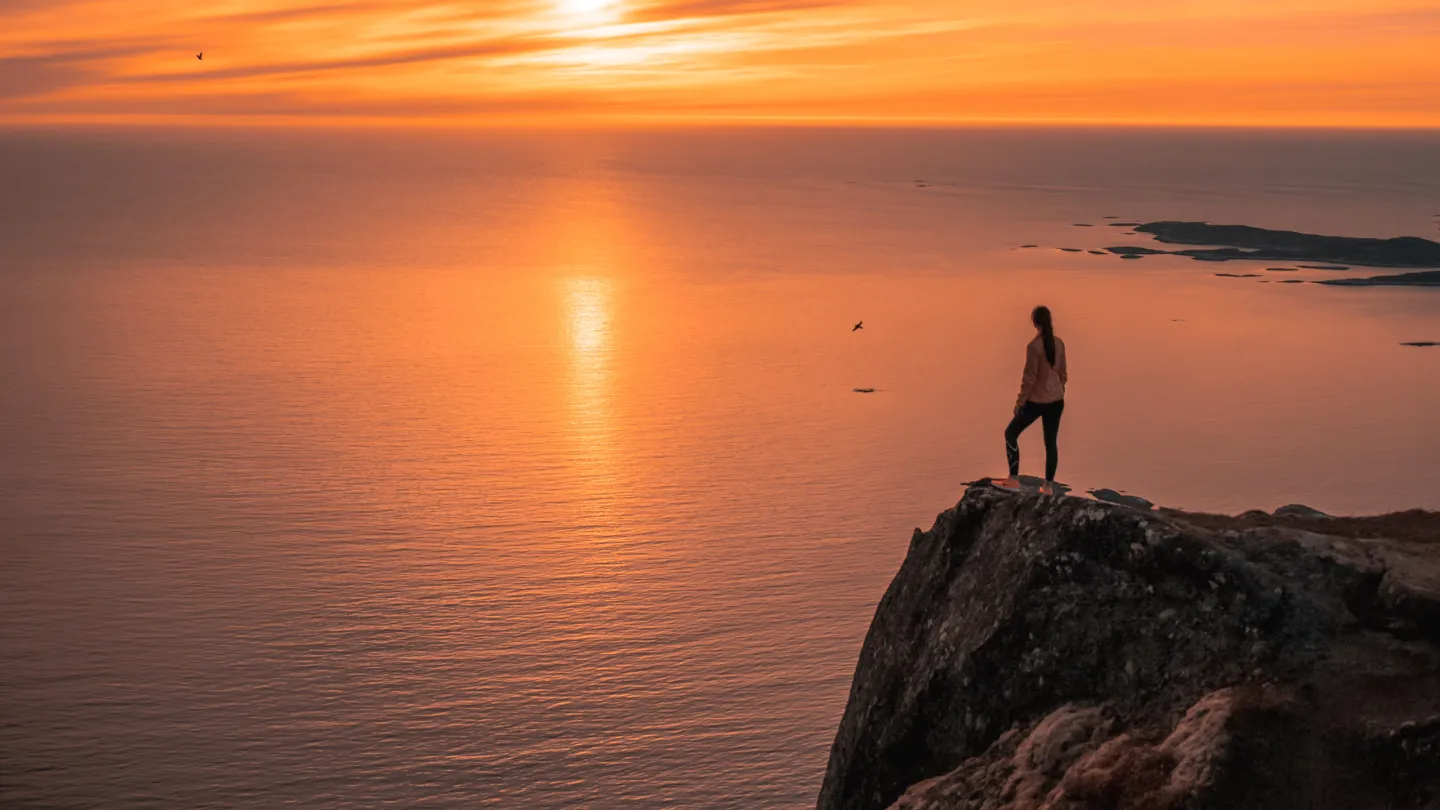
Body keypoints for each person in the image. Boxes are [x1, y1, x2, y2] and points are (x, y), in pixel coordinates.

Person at [997, 306, 1067, 495]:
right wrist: (1060, 390)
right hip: (1056, 401)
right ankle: (1048, 487)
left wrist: (1020, 402)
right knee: (1050, 443)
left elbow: (1029, 378)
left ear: (1034, 322)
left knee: (1010, 433)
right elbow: (1063, 374)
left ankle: (1013, 479)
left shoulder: (1034, 347)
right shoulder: (1059, 343)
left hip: (1037, 402)